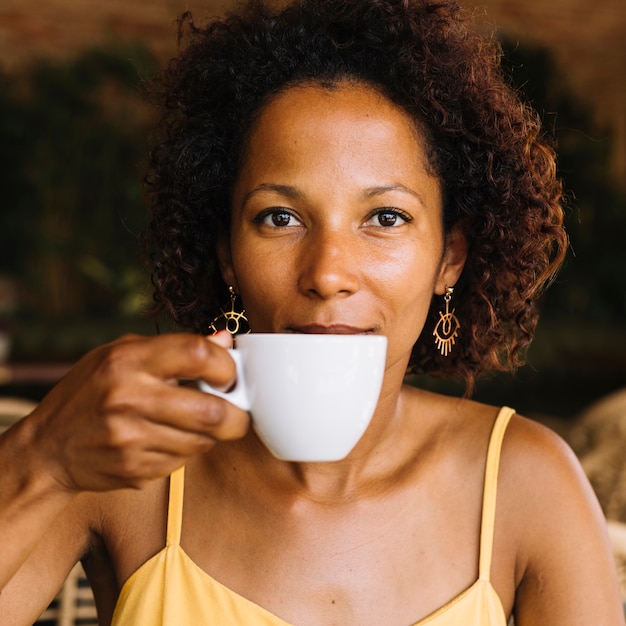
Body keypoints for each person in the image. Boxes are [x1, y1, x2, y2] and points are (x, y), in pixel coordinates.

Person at [0, 0, 623, 624]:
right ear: (227, 256)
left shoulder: (527, 484)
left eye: (385, 218)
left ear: (448, 260)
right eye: (281, 217)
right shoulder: (129, 471)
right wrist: (39, 456)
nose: (327, 273)